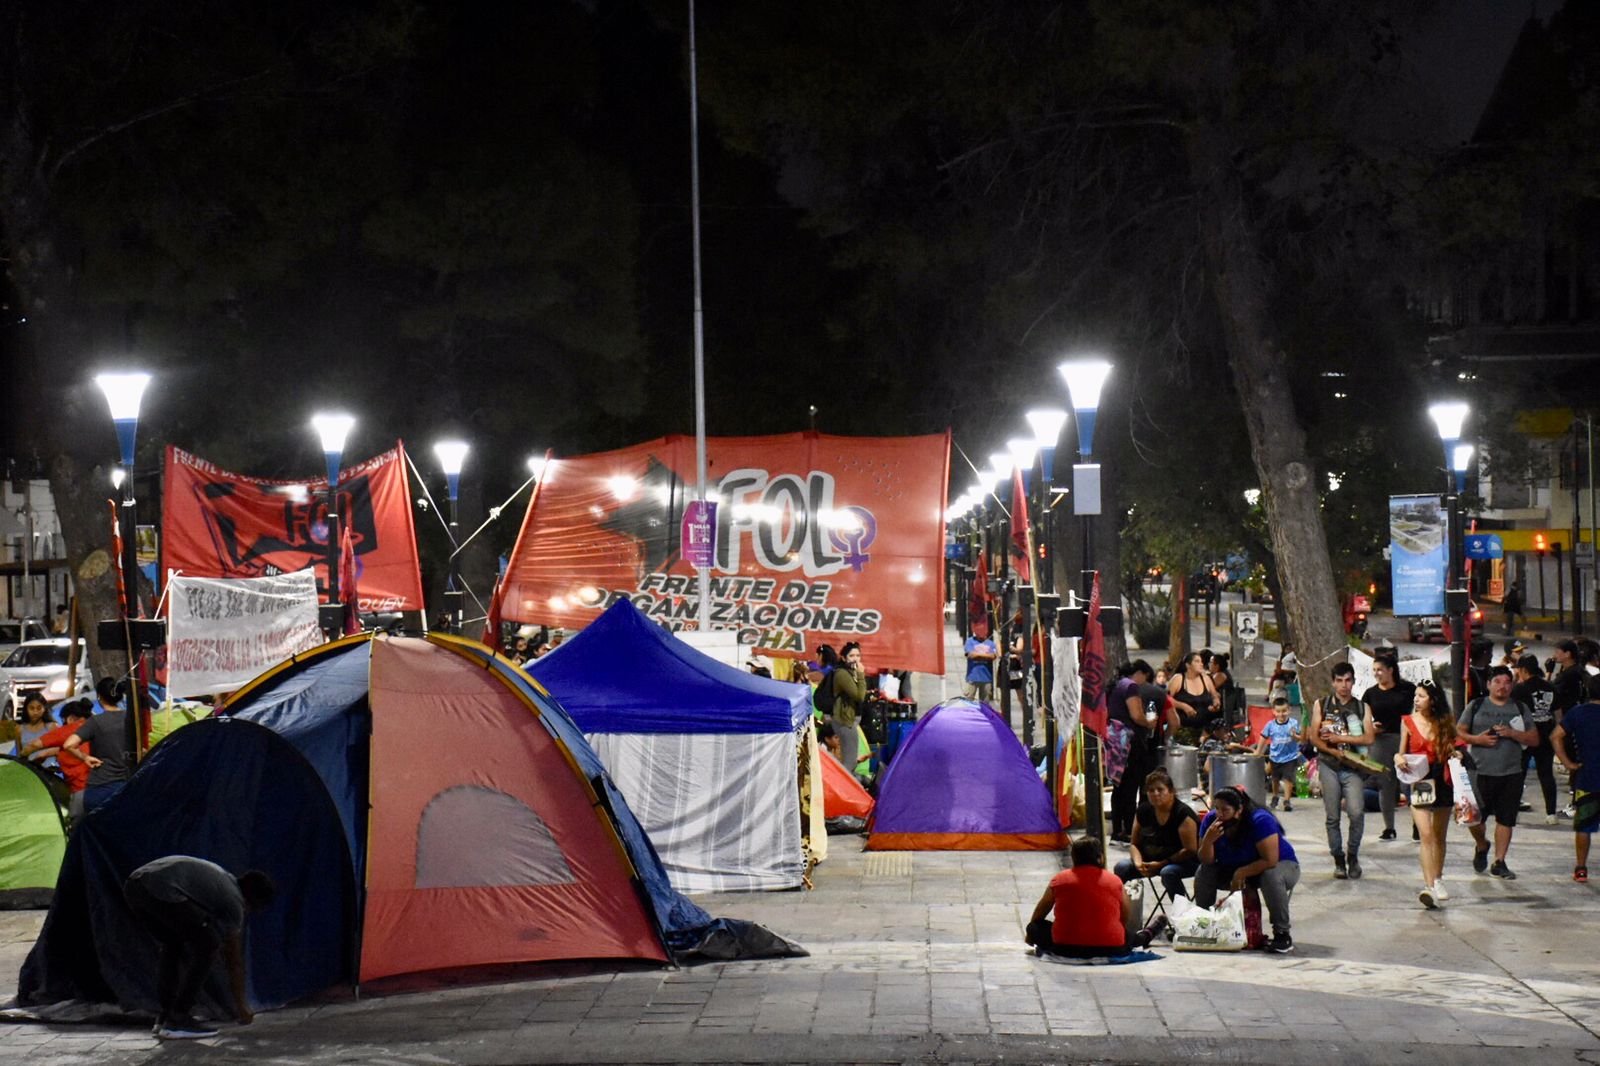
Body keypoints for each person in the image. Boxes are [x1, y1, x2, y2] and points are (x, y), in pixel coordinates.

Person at [122, 856, 277, 1039]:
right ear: (252, 901)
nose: (248, 914)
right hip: (161, 888)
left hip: (134, 886)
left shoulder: (223, 879)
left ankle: (165, 1017)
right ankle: (179, 1018)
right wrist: (242, 1006)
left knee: (173, 944)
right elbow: (234, 960)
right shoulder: (234, 901)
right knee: (209, 945)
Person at [1195, 786, 1299, 954]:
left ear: (1239, 810)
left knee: (1270, 876)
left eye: (1225, 810)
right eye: (1217, 808)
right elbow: (1206, 860)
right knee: (1204, 872)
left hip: (1278, 866)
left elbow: (1270, 859)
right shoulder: (1210, 821)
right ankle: (1203, 924)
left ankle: (1282, 934)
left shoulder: (1260, 820)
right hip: (1233, 866)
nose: (1219, 814)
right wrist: (1208, 840)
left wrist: (1241, 873)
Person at [1025, 837, 1168, 958]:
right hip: (1112, 948)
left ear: (1073, 857)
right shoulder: (1115, 881)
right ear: (1100, 857)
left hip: (1065, 948)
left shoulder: (1059, 879)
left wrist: (1030, 935)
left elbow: (1040, 911)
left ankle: (1138, 936)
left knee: (1034, 927)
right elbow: (1125, 915)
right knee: (1128, 936)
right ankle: (1145, 936)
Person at [1458, 666, 1538, 880]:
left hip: (1511, 772)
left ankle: (1499, 861)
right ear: (1489, 685)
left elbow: (1534, 738)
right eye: (1498, 681)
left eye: (1507, 682)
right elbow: (1459, 731)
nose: (1502, 686)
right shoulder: (1476, 706)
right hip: (1479, 771)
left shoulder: (1520, 708)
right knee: (1473, 819)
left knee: (1506, 819)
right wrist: (1478, 740)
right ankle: (1482, 845)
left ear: (1512, 685)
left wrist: (1513, 733)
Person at [1309, 662, 1376, 880]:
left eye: (1347, 680)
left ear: (1353, 682)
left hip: (1353, 767)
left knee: (1356, 812)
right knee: (1332, 816)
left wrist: (1341, 739)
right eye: (1339, 681)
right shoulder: (1322, 704)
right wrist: (1333, 750)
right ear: (1333, 682)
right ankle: (1338, 858)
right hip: (1329, 764)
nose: (1343, 685)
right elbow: (1314, 736)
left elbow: (1368, 737)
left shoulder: (1362, 707)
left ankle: (1353, 855)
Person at [1396, 681, 1458, 909]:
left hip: (1442, 776)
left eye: (1421, 696)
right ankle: (1429, 885)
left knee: (1440, 834)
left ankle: (1438, 878)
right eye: (1415, 695)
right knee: (1426, 834)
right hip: (1420, 779)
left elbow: (1456, 746)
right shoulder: (1408, 722)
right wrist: (1398, 759)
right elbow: (1400, 752)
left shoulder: (1444, 722)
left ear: (1432, 699)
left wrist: (1457, 754)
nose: (1416, 699)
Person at [1114, 769, 1200, 899]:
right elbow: (1134, 844)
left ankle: (1182, 910)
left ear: (1171, 792)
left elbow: (1190, 850)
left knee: (1168, 872)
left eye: (1160, 790)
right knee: (1122, 867)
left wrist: (1160, 864)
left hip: (1183, 862)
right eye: (1151, 790)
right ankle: (1123, 910)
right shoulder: (1143, 810)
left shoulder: (1183, 814)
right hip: (1151, 860)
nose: (1155, 794)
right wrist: (1138, 863)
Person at [1106, 661, 1166, 842]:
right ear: (1139, 673)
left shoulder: (1117, 684)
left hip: (1116, 740)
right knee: (1131, 786)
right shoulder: (1130, 686)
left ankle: (1118, 829)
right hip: (1129, 743)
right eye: (1145, 677)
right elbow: (1136, 715)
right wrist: (1150, 723)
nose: (1144, 683)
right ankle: (1130, 829)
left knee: (1119, 786)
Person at [1362, 651, 1415, 841]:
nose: (1377, 674)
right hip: (1381, 742)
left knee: (1409, 782)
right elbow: (1363, 719)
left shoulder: (1407, 690)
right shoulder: (1370, 694)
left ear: (1390, 670)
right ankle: (1389, 827)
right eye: (1374, 670)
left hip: (1405, 739)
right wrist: (1370, 728)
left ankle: (1417, 823)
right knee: (1385, 783)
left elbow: (1417, 711)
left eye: (1380, 670)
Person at [63, 678, 133, 812]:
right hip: (128, 785)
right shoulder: (131, 719)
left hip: (100, 788)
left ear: (99, 697)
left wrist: (85, 758)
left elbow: (68, 745)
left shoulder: (95, 722)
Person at [1551, 697, 1600, 883]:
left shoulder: (1578, 712)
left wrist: (1567, 763)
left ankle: (1581, 868)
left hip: (1587, 778)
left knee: (1584, 825)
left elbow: (1555, 736)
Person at [22, 699, 93, 819]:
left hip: (81, 790)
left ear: (70, 718)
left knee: (77, 828)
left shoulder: (69, 729)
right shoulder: (94, 727)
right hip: (105, 787)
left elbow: (33, 745)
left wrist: (21, 759)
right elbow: (73, 749)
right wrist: (47, 754)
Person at [1512, 653, 1560, 824]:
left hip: (1525, 736)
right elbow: (1558, 714)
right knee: (1546, 774)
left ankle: (1512, 811)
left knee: (1519, 774)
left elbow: (1512, 713)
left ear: (1523, 670)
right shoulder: (1550, 687)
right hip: (1546, 735)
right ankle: (1551, 813)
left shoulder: (1519, 689)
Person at [1254, 697, 1302, 813]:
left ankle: (1287, 800)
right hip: (1275, 757)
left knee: (1288, 779)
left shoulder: (1293, 723)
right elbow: (1263, 737)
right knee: (1275, 779)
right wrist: (1258, 751)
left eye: (1284, 711)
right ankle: (1275, 796)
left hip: (1290, 757)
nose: (1281, 714)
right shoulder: (1270, 725)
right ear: (1273, 712)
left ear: (1289, 710)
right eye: (1279, 711)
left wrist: (1294, 736)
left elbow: (1301, 738)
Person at [830, 642, 868, 777]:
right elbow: (859, 695)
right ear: (844, 658)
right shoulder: (842, 674)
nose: (856, 658)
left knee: (850, 760)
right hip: (844, 721)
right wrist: (861, 675)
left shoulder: (851, 673)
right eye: (851, 655)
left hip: (850, 720)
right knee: (849, 762)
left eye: (858, 655)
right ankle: (843, 788)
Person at [1167, 652, 1219, 730]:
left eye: (1201, 661)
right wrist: (1182, 705)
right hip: (1183, 728)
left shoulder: (1206, 679)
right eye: (1197, 661)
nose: (1201, 664)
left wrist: (1216, 702)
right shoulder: (1178, 679)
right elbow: (1166, 698)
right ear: (1188, 665)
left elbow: (1215, 695)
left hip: (1205, 728)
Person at [12, 693, 56, 766]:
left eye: (39, 708)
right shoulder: (19, 729)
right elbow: (19, 755)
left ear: (44, 708)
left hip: (49, 772)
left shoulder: (52, 727)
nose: (35, 712)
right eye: (31, 708)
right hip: (30, 772)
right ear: (26, 709)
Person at [963, 627, 998, 703]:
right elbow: (970, 655)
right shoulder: (970, 641)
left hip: (986, 678)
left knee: (985, 704)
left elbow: (993, 656)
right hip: (972, 677)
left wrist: (977, 655)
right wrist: (986, 655)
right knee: (968, 702)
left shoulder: (991, 643)